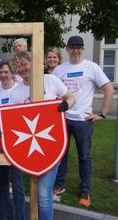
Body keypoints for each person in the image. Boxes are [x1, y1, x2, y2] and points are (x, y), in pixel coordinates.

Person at [9, 51, 75, 219]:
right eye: (18, 67)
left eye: (24, 64)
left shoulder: (50, 80)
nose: (22, 69)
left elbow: (70, 97)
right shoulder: (15, 93)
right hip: (29, 146)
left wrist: (66, 105)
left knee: (44, 195)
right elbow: (13, 121)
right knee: (38, 193)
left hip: (53, 143)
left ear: (32, 62)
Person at [53, 36, 114, 207]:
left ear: (83, 49)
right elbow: (52, 92)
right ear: (67, 49)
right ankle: (59, 185)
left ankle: (85, 190)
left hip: (83, 121)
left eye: (79, 47)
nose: (75, 50)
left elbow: (108, 90)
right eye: (72, 47)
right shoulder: (59, 69)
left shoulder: (91, 67)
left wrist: (101, 114)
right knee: (61, 155)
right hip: (62, 119)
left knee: (84, 156)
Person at [0, 60, 21, 220]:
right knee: (2, 183)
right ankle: (5, 216)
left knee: (18, 185)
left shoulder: (20, 90)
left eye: (6, 72)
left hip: (19, 143)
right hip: (0, 143)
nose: (3, 75)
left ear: (11, 72)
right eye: (0, 72)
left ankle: (20, 217)